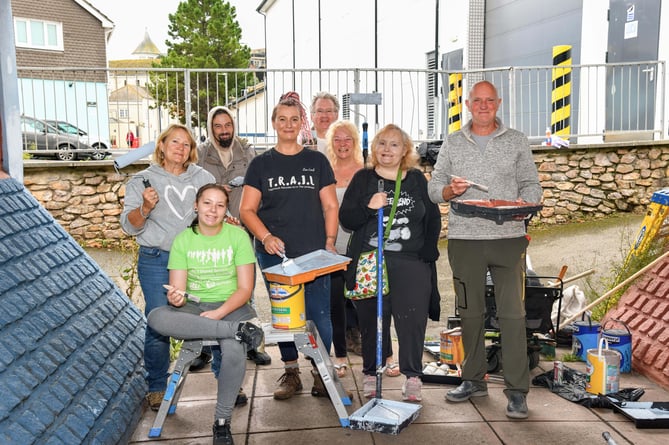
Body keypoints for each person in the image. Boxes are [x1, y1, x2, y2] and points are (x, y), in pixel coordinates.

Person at [427, 80, 542, 419]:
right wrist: (450, 189)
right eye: (477, 100)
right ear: (466, 104)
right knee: (470, 314)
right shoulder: (452, 142)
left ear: (498, 103)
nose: (483, 106)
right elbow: (434, 189)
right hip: (465, 241)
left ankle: (517, 391)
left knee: (512, 315)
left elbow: (531, 183)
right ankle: (474, 379)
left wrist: (530, 200)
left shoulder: (517, 141)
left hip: (509, 239)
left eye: (489, 100)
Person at [239, 91, 339, 400]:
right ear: (273, 123)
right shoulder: (260, 164)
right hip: (276, 256)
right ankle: (292, 372)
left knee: (319, 313)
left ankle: (321, 373)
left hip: (314, 255)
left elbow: (331, 207)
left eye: (294, 119)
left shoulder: (317, 160)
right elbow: (246, 210)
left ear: (301, 123)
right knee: (285, 317)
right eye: (282, 119)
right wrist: (266, 237)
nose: (288, 124)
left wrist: (331, 243)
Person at [147, 184, 263, 445]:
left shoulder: (238, 236)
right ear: (196, 206)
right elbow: (177, 291)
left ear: (226, 210)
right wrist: (175, 296)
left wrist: (221, 312)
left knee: (233, 351)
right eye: (207, 203)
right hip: (195, 306)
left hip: (232, 305)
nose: (213, 210)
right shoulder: (183, 240)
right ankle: (237, 332)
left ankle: (222, 423)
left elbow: (245, 289)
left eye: (220, 205)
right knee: (156, 317)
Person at [340, 123, 441, 402]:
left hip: (411, 261)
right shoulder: (363, 179)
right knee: (372, 321)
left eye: (394, 144)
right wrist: (367, 207)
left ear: (405, 150)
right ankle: (372, 373)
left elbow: (432, 218)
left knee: (412, 321)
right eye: (382, 143)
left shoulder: (417, 180)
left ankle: (412, 377)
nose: (387, 149)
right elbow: (346, 219)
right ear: (374, 148)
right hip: (371, 259)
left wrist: (429, 250)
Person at [120, 123, 215, 410]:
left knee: (213, 318)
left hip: (195, 260)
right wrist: (145, 209)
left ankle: (227, 384)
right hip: (156, 260)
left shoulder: (203, 177)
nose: (181, 148)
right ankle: (158, 387)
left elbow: (215, 213)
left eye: (186, 144)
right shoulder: (141, 181)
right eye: (175, 142)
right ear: (161, 146)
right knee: (158, 323)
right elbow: (129, 227)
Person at [197, 106, 272, 368]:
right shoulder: (201, 154)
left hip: (242, 231)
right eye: (218, 126)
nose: (224, 130)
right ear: (211, 128)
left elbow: (258, 185)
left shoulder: (247, 151)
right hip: (211, 233)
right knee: (210, 289)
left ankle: (251, 345)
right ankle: (204, 349)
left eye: (227, 124)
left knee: (246, 289)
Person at [324, 120, 364, 377]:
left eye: (347, 138)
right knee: (335, 304)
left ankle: (378, 353)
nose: (342, 144)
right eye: (337, 139)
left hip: (359, 248)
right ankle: (339, 355)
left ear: (355, 142)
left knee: (365, 304)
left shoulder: (365, 172)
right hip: (333, 248)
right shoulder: (325, 172)